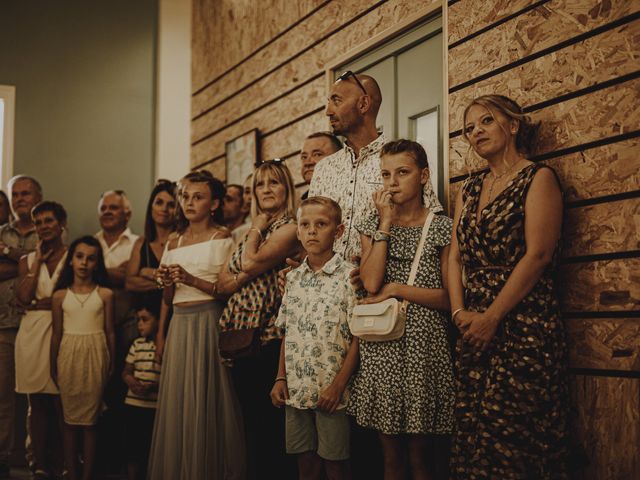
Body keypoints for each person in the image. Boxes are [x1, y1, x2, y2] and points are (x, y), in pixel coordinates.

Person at [448, 94, 569, 478]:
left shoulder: (538, 177)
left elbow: (538, 255)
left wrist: (493, 317)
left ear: (513, 125)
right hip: (472, 326)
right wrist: (459, 313)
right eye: (469, 128)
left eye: (485, 121)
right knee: (473, 434)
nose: (476, 132)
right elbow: (454, 256)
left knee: (515, 438)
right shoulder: (469, 188)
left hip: (523, 324)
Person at [351, 140, 455, 480]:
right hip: (383, 349)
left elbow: (449, 298)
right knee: (391, 458)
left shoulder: (441, 226)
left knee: (421, 458)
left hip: (424, 349)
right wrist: (385, 222)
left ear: (423, 176)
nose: (392, 182)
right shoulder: (372, 222)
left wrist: (397, 290)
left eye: (402, 173)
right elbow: (370, 282)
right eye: (385, 174)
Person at [148, 171, 245, 480]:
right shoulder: (173, 241)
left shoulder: (222, 238)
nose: (189, 202)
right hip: (178, 324)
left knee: (208, 396)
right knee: (179, 400)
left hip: (208, 323)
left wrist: (189, 278)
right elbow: (167, 297)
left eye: (198, 197)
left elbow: (226, 291)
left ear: (214, 203)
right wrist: (161, 332)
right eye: (186, 196)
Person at [217, 161, 301, 480]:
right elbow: (220, 283)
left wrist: (256, 226)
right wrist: (241, 275)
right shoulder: (256, 229)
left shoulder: (290, 226)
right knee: (251, 424)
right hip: (240, 336)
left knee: (271, 428)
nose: (266, 189)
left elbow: (249, 261)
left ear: (286, 189)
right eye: (260, 185)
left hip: (270, 338)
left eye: (274, 183)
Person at [309, 71, 443, 261]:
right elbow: (310, 227)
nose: (328, 111)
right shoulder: (323, 169)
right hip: (326, 287)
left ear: (363, 104)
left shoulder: (401, 160)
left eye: (336, 101)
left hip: (380, 285)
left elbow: (430, 224)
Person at [271, 196, 358, 480]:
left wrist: (338, 386)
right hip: (296, 389)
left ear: (339, 231)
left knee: (335, 464)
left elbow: (358, 337)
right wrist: (280, 378)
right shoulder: (293, 279)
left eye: (321, 224)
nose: (311, 231)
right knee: (305, 463)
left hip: (332, 391)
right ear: (297, 231)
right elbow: (287, 331)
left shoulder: (350, 277)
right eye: (305, 225)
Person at [50, 236, 116, 480]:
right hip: (68, 355)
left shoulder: (106, 294)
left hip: (95, 354)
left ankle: (87, 475)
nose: (84, 263)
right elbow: (56, 334)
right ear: (71, 261)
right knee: (68, 419)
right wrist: (52, 365)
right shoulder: (59, 296)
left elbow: (110, 331)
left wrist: (111, 362)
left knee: (90, 421)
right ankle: (72, 472)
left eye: (90, 258)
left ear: (97, 264)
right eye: (79, 256)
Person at [14, 201, 68, 479]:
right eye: (38, 222)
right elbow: (23, 298)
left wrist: (48, 303)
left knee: (61, 399)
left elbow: (72, 295)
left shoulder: (74, 256)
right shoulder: (27, 260)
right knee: (36, 401)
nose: (43, 226)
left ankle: (64, 460)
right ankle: (37, 461)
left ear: (61, 224)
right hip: (32, 332)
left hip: (63, 329)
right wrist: (37, 262)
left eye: (49, 221)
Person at [0, 175, 42, 478]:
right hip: (3, 325)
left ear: (38, 195)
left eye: (26, 193)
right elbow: (38, 265)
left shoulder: (48, 230)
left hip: (38, 325)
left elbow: (51, 267)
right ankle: (3, 459)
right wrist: (31, 263)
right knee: (2, 399)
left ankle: (36, 460)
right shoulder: (1, 231)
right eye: (15, 194)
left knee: (37, 399)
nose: (19, 199)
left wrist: (9, 257)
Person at [125, 180, 177, 314]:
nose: (164, 209)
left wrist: (146, 273)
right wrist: (161, 281)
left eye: (171, 205)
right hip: (145, 318)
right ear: (151, 206)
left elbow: (183, 284)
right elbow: (130, 283)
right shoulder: (140, 243)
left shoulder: (182, 241)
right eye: (159, 202)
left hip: (175, 315)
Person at [121, 303, 161, 480]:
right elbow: (126, 371)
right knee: (132, 447)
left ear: (159, 321)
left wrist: (153, 387)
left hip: (154, 407)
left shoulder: (163, 347)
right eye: (138, 320)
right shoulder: (137, 344)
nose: (140, 324)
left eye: (145, 320)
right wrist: (131, 382)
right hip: (134, 404)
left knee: (151, 447)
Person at [299, 132, 342, 200]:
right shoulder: (300, 205)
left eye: (317, 154)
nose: (307, 163)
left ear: (339, 159)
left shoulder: (349, 196)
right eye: (304, 157)